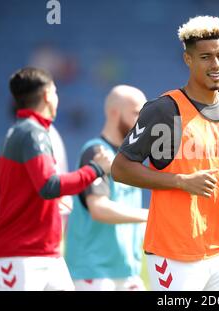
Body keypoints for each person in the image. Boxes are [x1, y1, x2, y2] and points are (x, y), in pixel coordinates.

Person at [111, 15, 219, 291]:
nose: (217, 64)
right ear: (188, 60)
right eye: (206, 57)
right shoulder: (163, 110)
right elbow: (120, 168)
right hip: (174, 255)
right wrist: (181, 181)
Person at [0, 67, 112, 291]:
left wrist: (43, 200)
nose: (57, 98)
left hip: (45, 254)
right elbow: (48, 185)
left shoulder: (18, 131)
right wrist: (95, 169)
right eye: (55, 92)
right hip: (19, 257)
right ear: (46, 96)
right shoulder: (33, 133)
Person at [65, 85, 149, 291]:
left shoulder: (131, 158)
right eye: (137, 113)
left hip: (128, 272)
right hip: (94, 273)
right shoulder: (96, 152)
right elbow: (99, 209)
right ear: (114, 112)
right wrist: (150, 215)